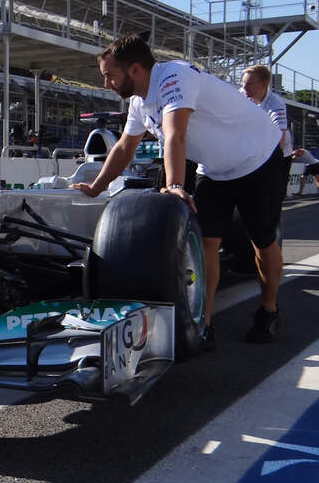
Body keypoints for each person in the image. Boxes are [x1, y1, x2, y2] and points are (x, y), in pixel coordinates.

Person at [72, 34, 284, 345]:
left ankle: (269, 309)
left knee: (262, 241)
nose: (107, 84)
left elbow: (175, 135)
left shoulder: (174, 77)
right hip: (215, 169)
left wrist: (174, 185)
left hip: (258, 158)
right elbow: (124, 148)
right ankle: (205, 322)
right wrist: (95, 187)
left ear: (134, 70)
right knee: (206, 244)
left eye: (109, 75)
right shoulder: (139, 101)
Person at [242, 65, 292, 201]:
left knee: (274, 192)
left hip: (280, 149)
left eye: (249, 84)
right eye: (243, 83)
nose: (244, 87)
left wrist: (271, 165)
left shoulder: (276, 104)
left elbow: (280, 136)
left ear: (263, 84)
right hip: (257, 143)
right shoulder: (242, 94)